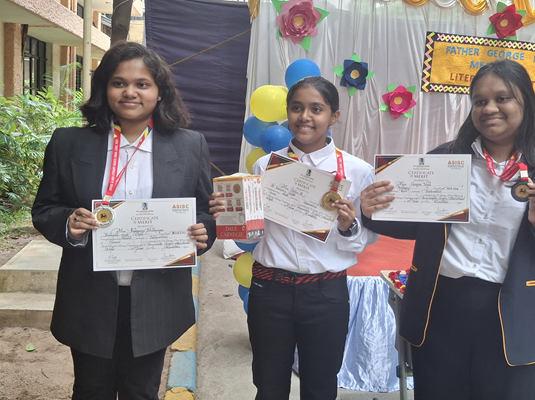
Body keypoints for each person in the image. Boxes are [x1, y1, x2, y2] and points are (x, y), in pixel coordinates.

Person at [361, 59, 535, 400]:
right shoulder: (444, 161)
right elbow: (413, 223)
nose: (489, 108)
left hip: (514, 317)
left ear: (526, 102)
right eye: (480, 101)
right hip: (440, 309)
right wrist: (371, 211)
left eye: (502, 98)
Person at [31, 42, 216, 400]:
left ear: (160, 92)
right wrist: (69, 224)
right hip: (89, 295)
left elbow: (204, 211)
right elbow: (45, 207)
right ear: (104, 88)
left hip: (157, 296)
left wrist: (202, 231)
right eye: (119, 83)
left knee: (141, 391)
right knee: (90, 389)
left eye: (142, 84)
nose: (130, 92)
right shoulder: (69, 143)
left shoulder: (189, 145)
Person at [213, 76, 378, 400]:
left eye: (316, 109)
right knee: (268, 385)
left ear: (334, 116)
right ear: (287, 112)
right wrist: (229, 210)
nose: (305, 117)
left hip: (326, 293)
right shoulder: (266, 165)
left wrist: (348, 226)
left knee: (320, 386)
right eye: (297, 108)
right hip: (269, 290)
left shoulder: (356, 171)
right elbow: (251, 230)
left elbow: (367, 238)